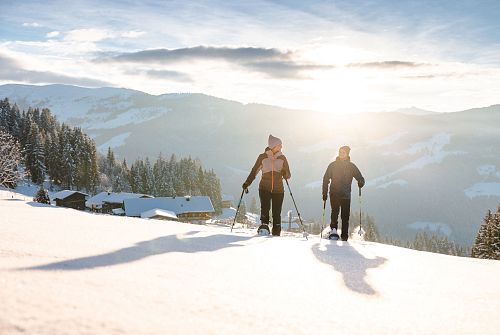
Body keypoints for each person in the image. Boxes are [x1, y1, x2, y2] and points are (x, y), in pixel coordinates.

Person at [243, 134, 291, 236]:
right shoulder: (262, 157)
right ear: (273, 146)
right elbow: (254, 171)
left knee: (276, 212)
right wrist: (247, 183)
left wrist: (284, 172)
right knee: (265, 208)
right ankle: (264, 227)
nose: (281, 147)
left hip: (278, 190)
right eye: (279, 145)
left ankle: (276, 231)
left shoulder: (283, 158)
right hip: (264, 188)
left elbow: (288, 175)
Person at [322, 145, 365, 241]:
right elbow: (326, 179)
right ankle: (333, 231)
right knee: (335, 212)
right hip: (334, 193)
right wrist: (324, 193)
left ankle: (344, 235)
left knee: (345, 216)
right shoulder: (332, 165)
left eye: (343, 152)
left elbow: (360, 177)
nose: (341, 154)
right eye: (340, 152)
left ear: (347, 154)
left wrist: (361, 182)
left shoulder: (351, 166)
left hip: (346, 194)